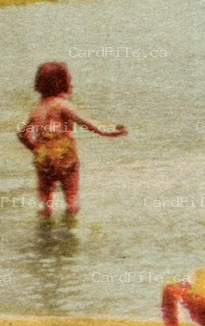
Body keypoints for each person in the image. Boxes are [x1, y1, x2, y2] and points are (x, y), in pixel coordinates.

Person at [18, 61, 127, 218]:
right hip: (65, 157)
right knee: (72, 198)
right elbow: (89, 124)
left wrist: (35, 148)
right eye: (70, 80)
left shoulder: (38, 108)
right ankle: (71, 230)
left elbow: (23, 134)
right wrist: (112, 132)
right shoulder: (63, 105)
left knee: (45, 200)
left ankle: (45, 228)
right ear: (63, 83)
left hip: (43, 158)